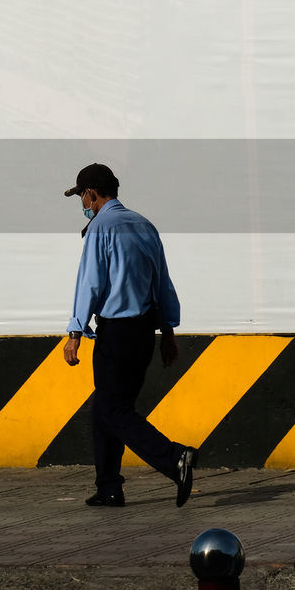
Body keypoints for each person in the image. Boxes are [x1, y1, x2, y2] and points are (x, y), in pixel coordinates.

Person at [62, 163, 198, 508]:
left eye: (82, 196)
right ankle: (109, 486)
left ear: (92, 193)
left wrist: (75, 330)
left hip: (117, 333)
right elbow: (162, 281)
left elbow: (90, 282)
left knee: (115, 410)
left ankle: (174, 458)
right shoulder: (144, 225)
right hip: (144, 333)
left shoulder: (100, 228)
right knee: (104, 408)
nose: (83, 202)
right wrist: (168, 331)